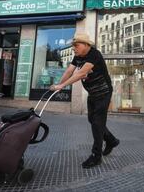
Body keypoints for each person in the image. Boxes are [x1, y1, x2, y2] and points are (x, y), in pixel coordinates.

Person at [50, 33, 119, 169]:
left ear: (86, 45)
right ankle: (111, 140)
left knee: (97, 124)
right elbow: (69, 71)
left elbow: (81, 73)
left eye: (76, 45)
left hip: (104, 93)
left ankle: (96, 156)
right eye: (73, 46)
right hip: (93, 93)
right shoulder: (78, 56)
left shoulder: (94, 54)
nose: (73, 48)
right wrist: (59, 85)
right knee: (91, 120)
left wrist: (62, 86)